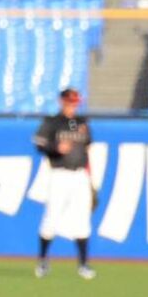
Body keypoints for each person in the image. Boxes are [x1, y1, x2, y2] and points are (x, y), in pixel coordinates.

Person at [33, 86, 96, 280]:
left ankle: (83, 264)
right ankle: (43, 261)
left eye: (75, 103)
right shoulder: (52, 122)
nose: (72, 106)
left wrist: (91, 181)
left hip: (79, 175)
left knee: (82, 219)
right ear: (61, 102)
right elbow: (39, 144)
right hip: (59, 174)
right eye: (69, 102)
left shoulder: (77, 122)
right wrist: (55, 147)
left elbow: (84, 144)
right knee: (51, 217)